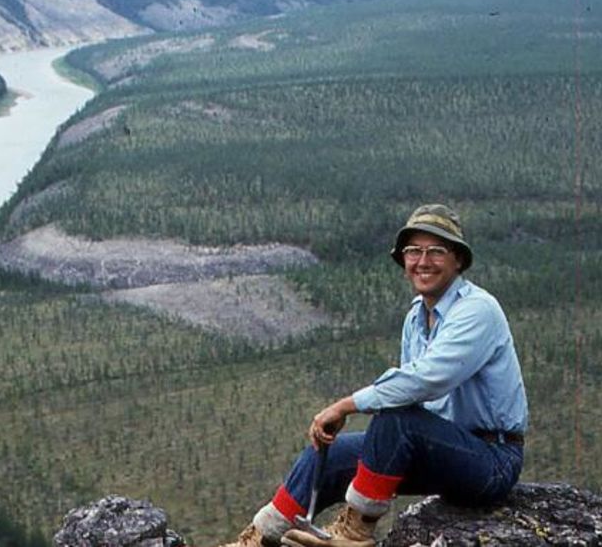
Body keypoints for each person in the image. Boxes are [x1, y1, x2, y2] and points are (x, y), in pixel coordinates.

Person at [213, 204, 528, 547]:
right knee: (326, 455)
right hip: (445, 450)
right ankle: (261, 537)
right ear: (404, 261)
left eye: (436, 251)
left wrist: (346, 405)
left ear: (458, 260)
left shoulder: (477, 310)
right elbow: (415, 393)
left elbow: (426, 380)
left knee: (399, 418)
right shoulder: (417, 318)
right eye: (413, 251)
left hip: (491, 460)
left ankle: (356, 531)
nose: (423, 261)